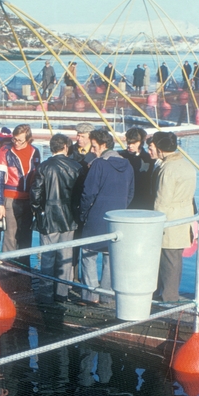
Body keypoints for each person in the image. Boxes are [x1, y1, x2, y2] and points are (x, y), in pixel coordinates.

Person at [78, 128, 134, 304]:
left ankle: (91, 295)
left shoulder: (99, 164)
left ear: (103, 145)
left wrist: (83, 213)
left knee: (88, 254)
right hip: (117, 218)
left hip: (96, 216)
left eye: (94, 147)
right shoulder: (128, 165)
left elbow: (88, 193)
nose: (92, 151)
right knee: (111, 256)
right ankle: (107, 295)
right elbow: (131, 193)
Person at [30, 133, 82, 303]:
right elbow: (80, 193)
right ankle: (62, 293)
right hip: (69, 217)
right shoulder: (76, 166)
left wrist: (37, 210)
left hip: (48, 216)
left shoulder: (44, 166)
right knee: (65, 257)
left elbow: (35, 193)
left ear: (51, 147)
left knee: (48, 257)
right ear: (66, 147)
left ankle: (45, 294)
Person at [148, 131, 196, 303]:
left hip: (169, 221)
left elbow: (162, 202)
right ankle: (170, 294)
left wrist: (155, 224)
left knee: (167, 261)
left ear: (160, 149)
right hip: (184, 218)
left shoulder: (168, 169)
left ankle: (167, 297)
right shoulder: (187, 165)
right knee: (175, 260)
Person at [0, 123, 40, 256]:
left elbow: (38, 180)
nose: (16, 143)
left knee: (26, 238)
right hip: (10, 199)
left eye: (20, 140)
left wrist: (37, 203)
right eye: (14, 139)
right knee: (10, 237)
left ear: (28, 139)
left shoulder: (35, 152)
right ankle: (8, 273)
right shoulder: (5, 151)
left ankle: (23, 274)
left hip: (28, 200)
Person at [119, 127, 154, 209]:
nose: (130, 146)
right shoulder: (121, 156)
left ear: (141, 143)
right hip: (125, 199)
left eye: (134, 143)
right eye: (128, 142)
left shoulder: (149, 160)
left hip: (142, 200)